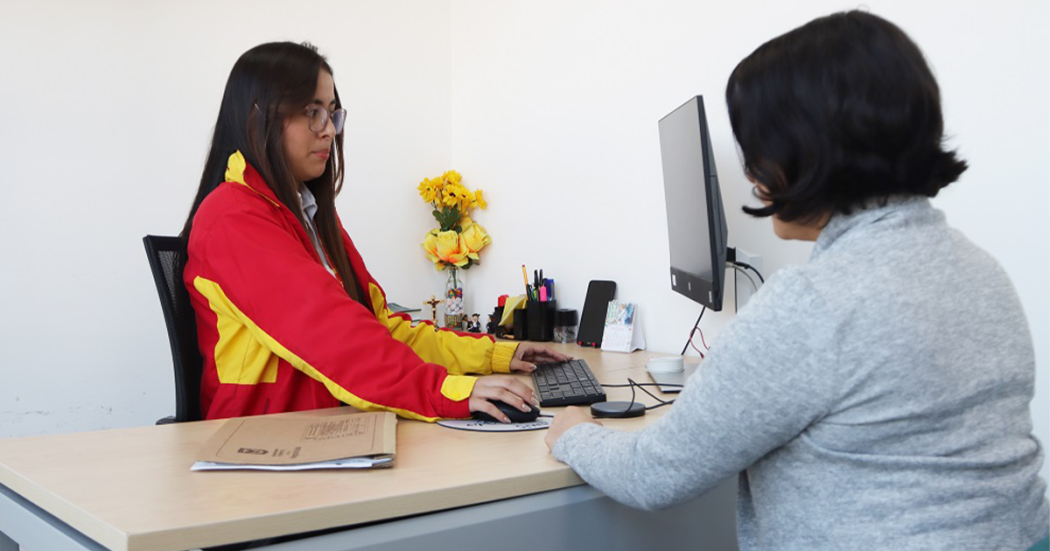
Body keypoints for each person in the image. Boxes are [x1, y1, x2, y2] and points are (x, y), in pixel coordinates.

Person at [545, 11, 1049, 550]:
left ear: (804, 150)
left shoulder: (813, 304)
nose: (751, 175)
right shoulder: (981, 270)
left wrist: (573, 433)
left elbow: (655, 474)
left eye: (757, 149)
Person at [181, 42, 567, 424]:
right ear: (257, 117)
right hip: (263, 443)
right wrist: (445, 391)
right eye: (311, 112)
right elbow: (333, 336)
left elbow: (381, 328)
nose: (329, 131)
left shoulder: (307, 216)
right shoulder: (233, 217)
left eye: (332, 114)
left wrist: (496, 357)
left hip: (324, 426)